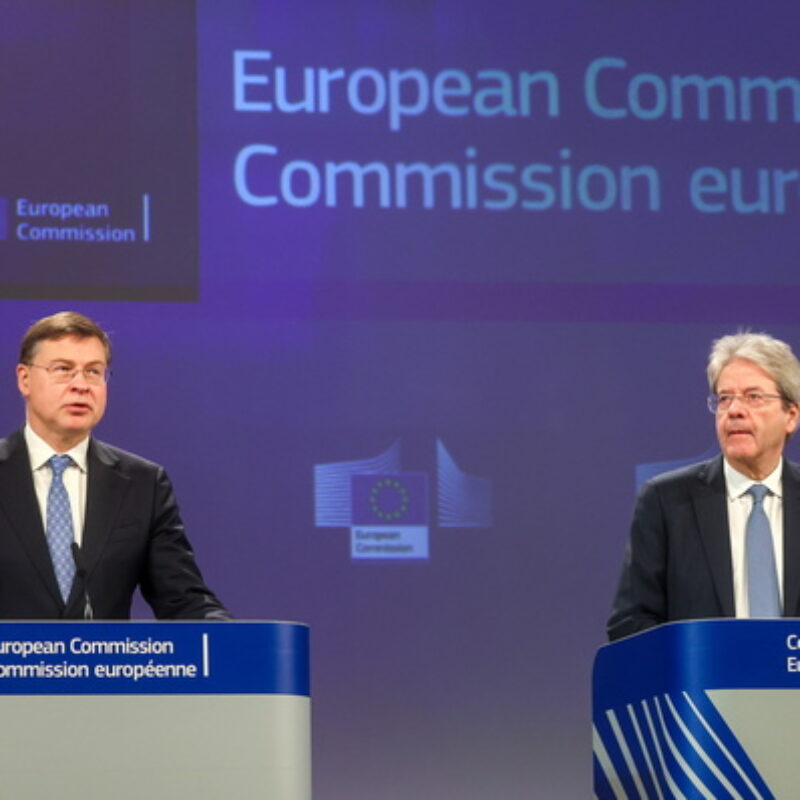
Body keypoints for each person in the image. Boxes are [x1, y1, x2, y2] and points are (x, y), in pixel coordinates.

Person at [0, 311, 230, 620]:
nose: (81, 385)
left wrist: (238, 644)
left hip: (103, 667)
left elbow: (182, 599)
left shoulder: (143, 484)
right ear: (24, 378)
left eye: (94, 372)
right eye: (63, 369)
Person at [607, 331, 800, 641]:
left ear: (791, 415)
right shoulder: (666, 501)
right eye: (725, 398)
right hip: (701, 688)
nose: (735, 410)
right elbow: (630, 622)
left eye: (754, 397)